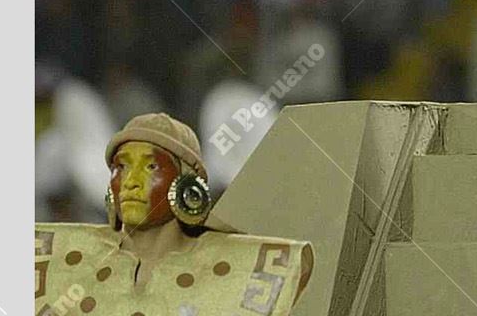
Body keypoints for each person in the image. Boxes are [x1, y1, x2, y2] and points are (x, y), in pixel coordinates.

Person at [34, 113, 314, 315]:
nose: (130, 181)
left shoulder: (251, 268)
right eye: (121, 167)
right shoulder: (55, 259)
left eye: (151, 167)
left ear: (186, 185)